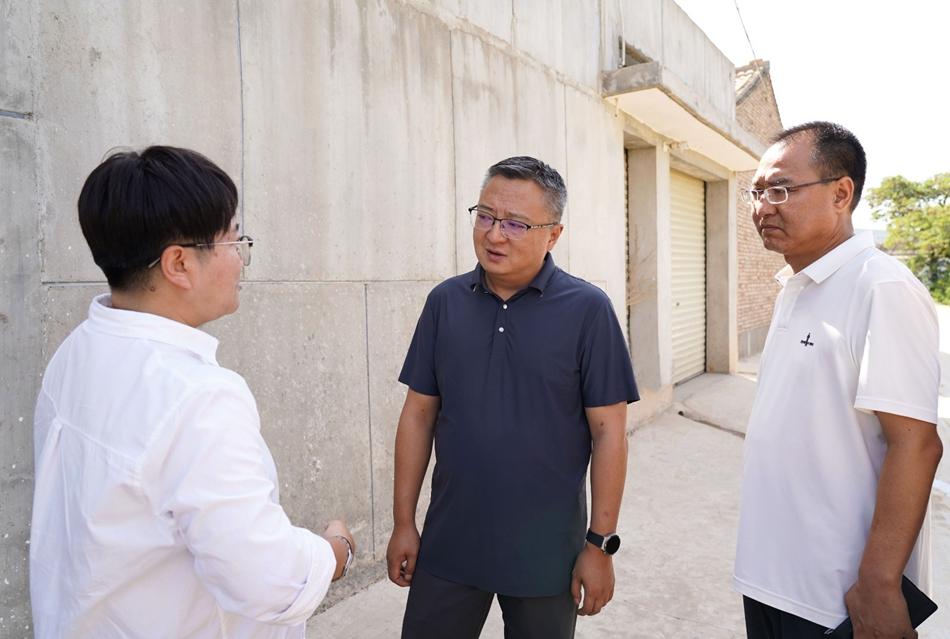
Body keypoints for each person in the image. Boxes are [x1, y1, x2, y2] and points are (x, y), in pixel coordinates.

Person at [30, 146, 355, 638]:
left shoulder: (76, 351)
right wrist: (335, 550)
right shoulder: (198, 399)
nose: (242, 258)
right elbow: (267, 580)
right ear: (179, 263)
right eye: (234, 239)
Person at [386, 156, 639, 639]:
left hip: (547, 554)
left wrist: (599, 546)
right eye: (485, 216)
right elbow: (417, 415)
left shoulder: (588, 311)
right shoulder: (445, 302)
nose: (494, 235)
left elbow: (609, 433)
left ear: (554, 235)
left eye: (516, 224)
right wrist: (403, 522)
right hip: (450, 543)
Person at [734, 122, 943, 638]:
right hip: (769, 579)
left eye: (781, 189)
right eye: (756, 192)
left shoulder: (881, 287)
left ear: (841, 193)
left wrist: (878, 584)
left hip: (835, 600)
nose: (763, 207)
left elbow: (916, 445)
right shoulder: (797, 286)